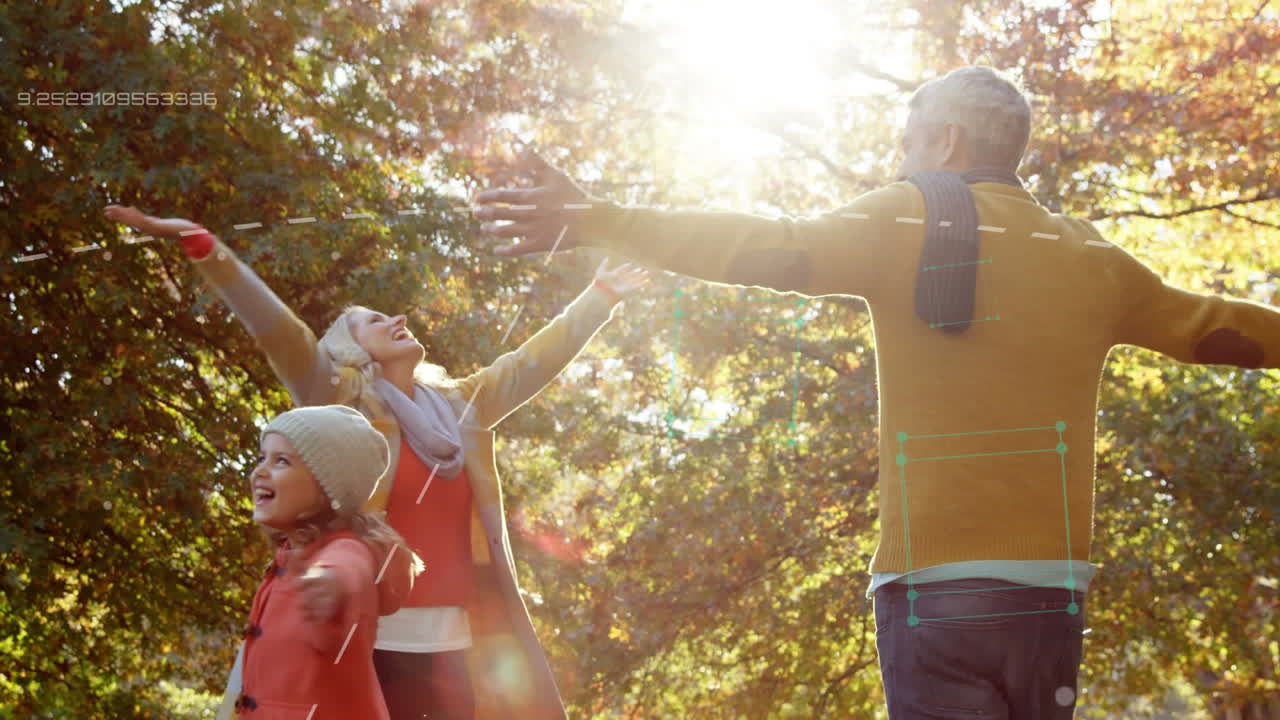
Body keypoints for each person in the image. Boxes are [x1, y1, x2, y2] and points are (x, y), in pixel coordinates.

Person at [473, 65, 1280, 718]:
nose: (900, 157)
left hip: (934, 594)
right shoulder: (1089, 256)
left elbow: (764, 246)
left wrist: (599, 218)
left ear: (947, 139)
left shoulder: (908, 217)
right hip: (1049, 595)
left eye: (908, 140)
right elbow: (1212, 326)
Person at [104, 204, 650, 720]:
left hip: (456, 647)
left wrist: (601, 293)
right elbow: (281, 334)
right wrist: (206, 247)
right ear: (351, 352)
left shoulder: (463, 408)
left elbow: (529, 362)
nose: (398, 318)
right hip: (362, 644)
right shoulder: (340, 404)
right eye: (372, 321)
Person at [233, 404, 416, 719]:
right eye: (261, 458)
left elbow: (350, 567)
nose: (260, 471)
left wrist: (332, 582)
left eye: (282, 461)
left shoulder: (344, 549)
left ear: (326, 488)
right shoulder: (290, 555)